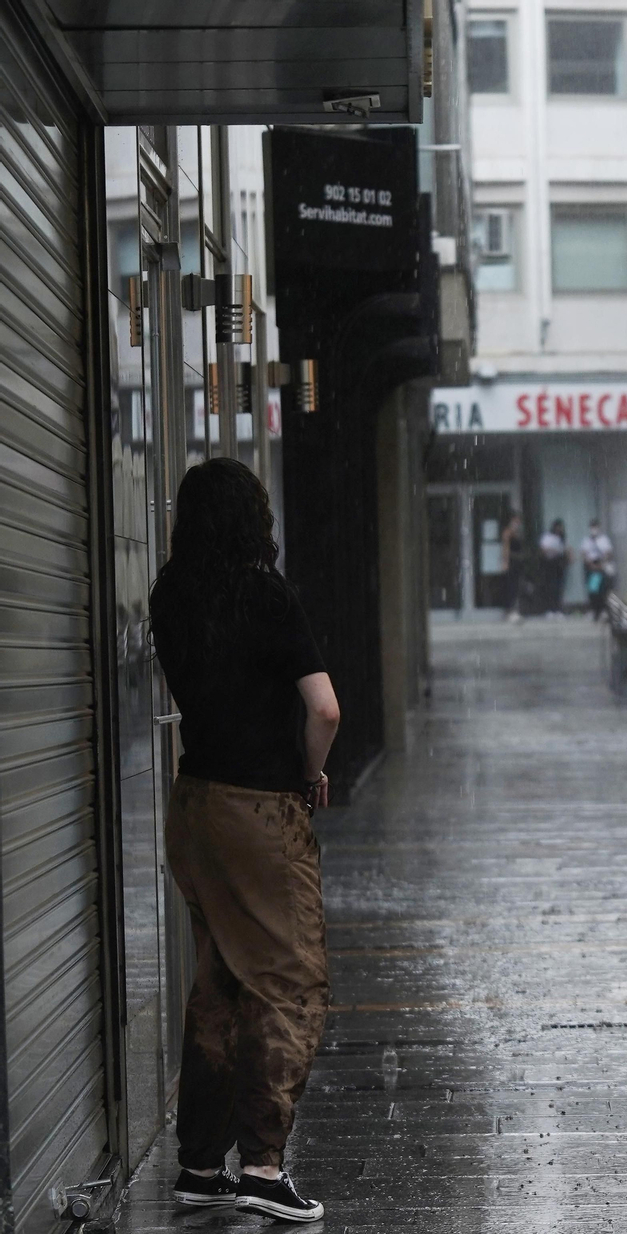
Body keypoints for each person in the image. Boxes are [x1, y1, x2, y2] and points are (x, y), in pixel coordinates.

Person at [149, 458, 339, 1224]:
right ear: (253, 520)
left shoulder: (170, 597)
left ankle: (200, 1166)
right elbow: (323, 710)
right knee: (293, 984)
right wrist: (310, 774)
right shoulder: (266, 595)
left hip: (193, 808)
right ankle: (261, 1166)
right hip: (260, 812)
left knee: (222, 984)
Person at [581, 518, 616, 620]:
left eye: (595, 527)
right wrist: (591, 565)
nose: (594, 529)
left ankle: (602, 610)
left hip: (601, 566)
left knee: (603, 590)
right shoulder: (586, 540)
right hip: (591, 567)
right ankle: (594, 610)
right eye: (592, 527)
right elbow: (584, 554)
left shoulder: (604, 539)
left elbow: (608, 553)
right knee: (593, 591)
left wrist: (601, 564)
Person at [539, 519, 570, 618]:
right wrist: (553, 550)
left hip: (559, 564)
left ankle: (558, 609)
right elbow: (543, 549)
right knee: (550, 587)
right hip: (549, 563)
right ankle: (550, 609)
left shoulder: (562, 538)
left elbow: (566, 549)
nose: (559, 529)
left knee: (558, 587)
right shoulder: (548, 537)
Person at [501, 512, 528, 623]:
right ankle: (509, 611)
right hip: (511, 562)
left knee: (516, 586)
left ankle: (515, 610)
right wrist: (505, 561)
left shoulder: (518, 533)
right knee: (511, 587)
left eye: (519, 521)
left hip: (518, 562)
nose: (518, 523)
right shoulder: (508, 532)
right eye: (516, 521)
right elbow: (506, 547)